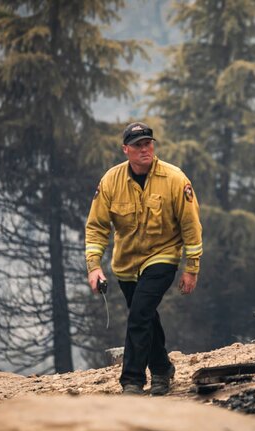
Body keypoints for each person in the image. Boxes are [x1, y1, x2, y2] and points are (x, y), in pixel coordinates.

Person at [85, 122, 202, 395]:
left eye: (148, 143)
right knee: (146, 316)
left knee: (139, 315)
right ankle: (162, 369)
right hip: (126, 265)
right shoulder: (110, 182)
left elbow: (191, 226)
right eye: (137, 145)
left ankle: (132, 381)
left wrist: (191, 268)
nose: (144, 149)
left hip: (163, 256)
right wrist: (94, 266)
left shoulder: (175, 179)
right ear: (126, 149)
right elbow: (97, 227)